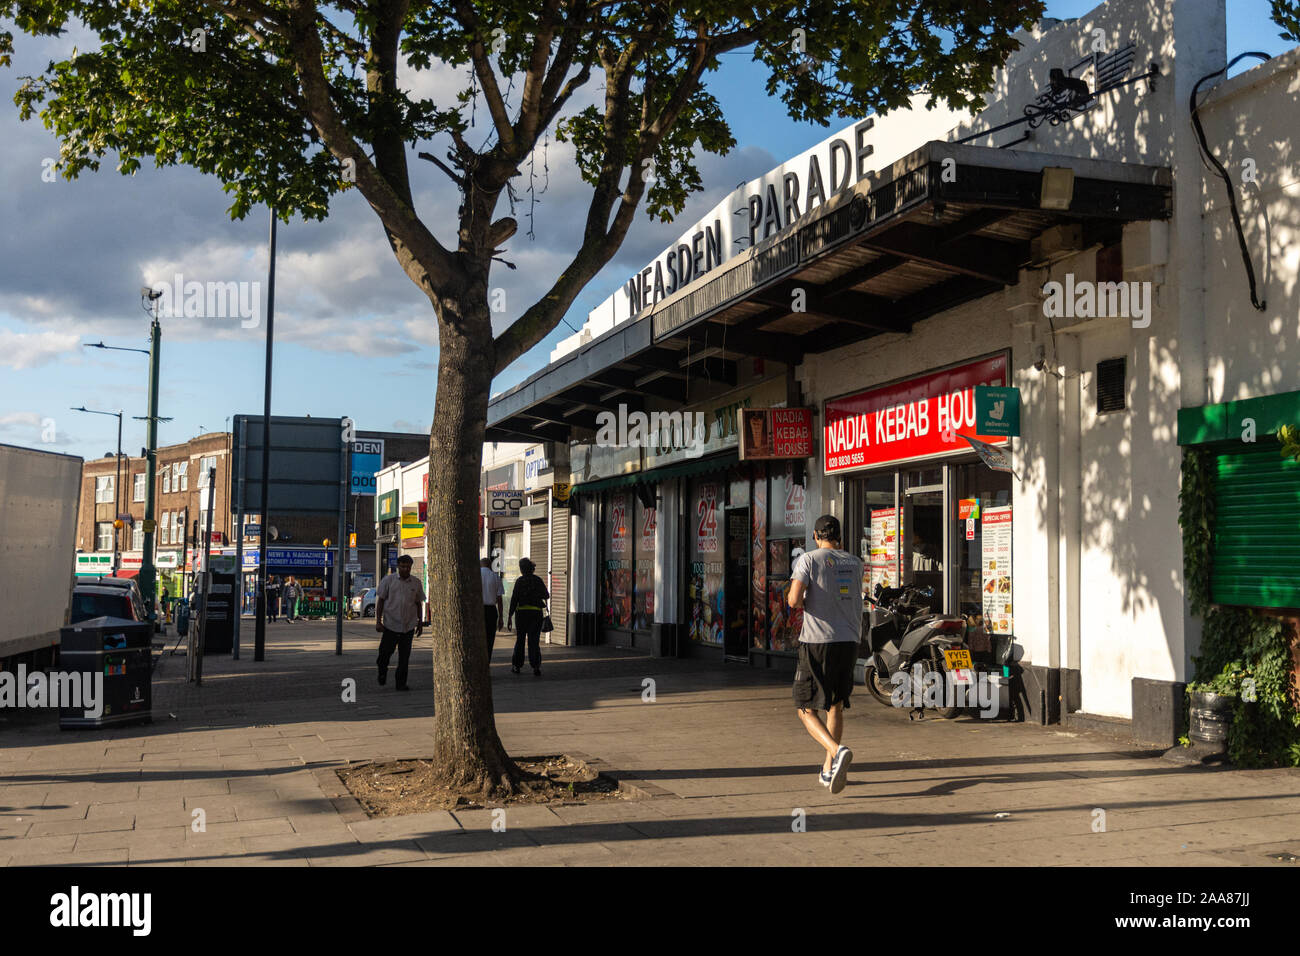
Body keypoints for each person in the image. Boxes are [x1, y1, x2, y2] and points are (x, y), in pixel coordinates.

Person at [787, 514, 862, 795]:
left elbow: (794, 600)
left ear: (816, 535)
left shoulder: (809, 559)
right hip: (849, 640)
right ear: (839, 536)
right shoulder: (855, 562)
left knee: (805, 707)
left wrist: (806, 600)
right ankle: (829, 768)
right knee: (836, 705)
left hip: (818, 641)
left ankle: (836, 749)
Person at [375, 554, 425, 690]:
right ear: (398, 566)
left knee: (404, 657)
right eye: (403, 566)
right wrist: (378, 621)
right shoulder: (388, 581)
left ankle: (401, 683)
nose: (405, 569)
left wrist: (420, 622)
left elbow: (418, 603)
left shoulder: (416, 583)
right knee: (384, 654)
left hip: (408, 626)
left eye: (408, 567)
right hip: (390, 625)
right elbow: (380, 601)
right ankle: (382, 672)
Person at [507, 557, 549, 676]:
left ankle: (517, 665)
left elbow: (514, 599)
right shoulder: (537, 580)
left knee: (520, 640)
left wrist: (510, 616)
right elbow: (546, 595)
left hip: (521, 615)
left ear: (522, 569)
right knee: (533, 641)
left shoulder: (519, 581)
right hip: (536, 614)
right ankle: (536, 666)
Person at [480, 556, 504, 658]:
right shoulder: (495, 577)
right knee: (490, 638)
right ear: (490, 565)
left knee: (478, 638)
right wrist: (501, 617)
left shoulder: (475, 575)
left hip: (478, 610)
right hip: (491, 610)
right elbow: (499, 599)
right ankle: (487, 661)